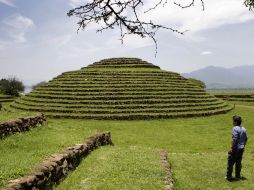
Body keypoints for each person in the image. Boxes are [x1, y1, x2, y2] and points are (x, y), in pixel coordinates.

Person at [226, 115, 248, 181]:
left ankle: (229, 177)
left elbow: (234, 139)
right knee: (238, 162)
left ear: (235, 122)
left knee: (230, 162)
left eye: (233, 121)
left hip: (235, 149)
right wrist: (243, 145)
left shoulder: (235, 128)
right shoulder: (244, 129)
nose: (232, 122)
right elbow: (246, 138)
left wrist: (231, 148)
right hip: (242, 148)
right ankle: (238, 176)